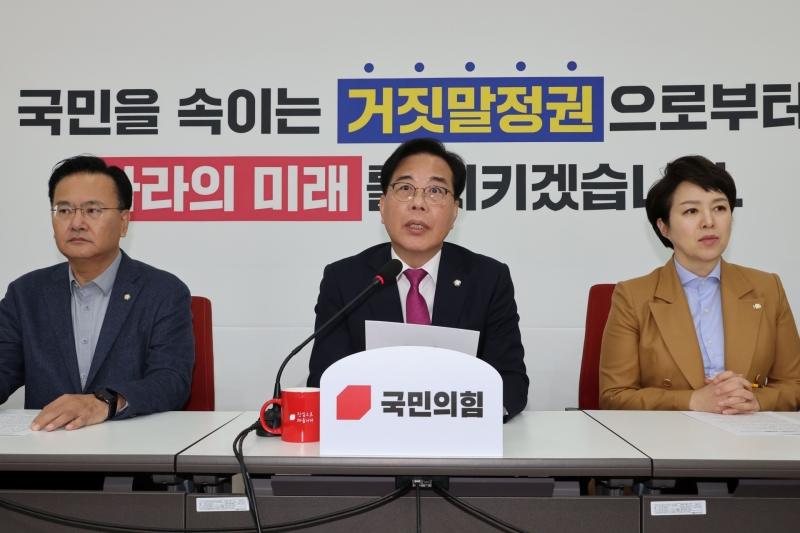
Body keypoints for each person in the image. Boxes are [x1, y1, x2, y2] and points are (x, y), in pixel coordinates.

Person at [307, 138, 529, 419]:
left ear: (454, 212)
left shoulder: (489, 279)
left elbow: (510, 382)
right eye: (405, 189)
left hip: (459, 434)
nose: (419, 204)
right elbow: (326, 380)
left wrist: (462, 415)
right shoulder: (344, 280)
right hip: (373, 434)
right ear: (382, 206)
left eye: (435, 191)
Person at [0, 155, 195, 431]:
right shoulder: (25, 293)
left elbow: (171, 381)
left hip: (131, 449)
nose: (76, 223)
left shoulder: (163, 292)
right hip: (46, 450)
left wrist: (104, 402)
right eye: (64, 210)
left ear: (124, 221)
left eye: (92, 210)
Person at [600, 155, 800, 413]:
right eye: (691, 211)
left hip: (748, 431)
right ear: (664, 227)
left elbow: (794, 384)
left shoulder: (768, 288)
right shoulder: (633, 296)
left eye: (720, 208)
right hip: (670, 434)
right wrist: (693, 401)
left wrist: (756, 400)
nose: (709, 221)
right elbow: (614, 396)